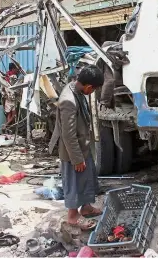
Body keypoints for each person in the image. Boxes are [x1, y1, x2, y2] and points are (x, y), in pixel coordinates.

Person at [49, 65, 105, 231]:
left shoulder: (77, 89)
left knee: (87, 177)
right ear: (88, 87)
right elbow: (68, 135)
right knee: (74, 182)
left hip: (83, 145)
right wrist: (77, 158)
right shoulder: (68, 100)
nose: (92, 92)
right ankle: (73, 217)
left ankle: (86, 207)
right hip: (72, 150)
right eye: (93, 90)